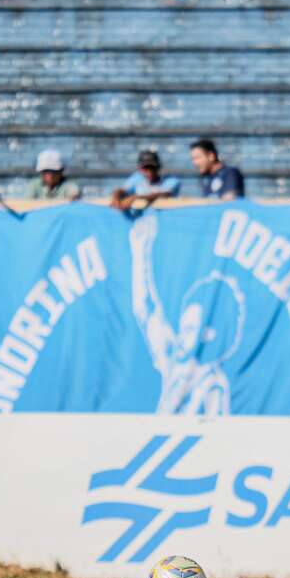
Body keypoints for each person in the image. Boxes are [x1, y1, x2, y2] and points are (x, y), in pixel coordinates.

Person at [129, 213, 246, 415]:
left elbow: (214, 430)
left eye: (190, 329)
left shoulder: (212, 386)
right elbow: (145, 309)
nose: (181, 337)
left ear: (208, 335)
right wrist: (141, 251)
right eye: (183, 328)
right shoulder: (174, 360)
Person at [111, 151, 181, 210]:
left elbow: (165, 194)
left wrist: (136, 197)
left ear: (159, 167)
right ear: (140, 169)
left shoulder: (171, 180)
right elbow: (121, 190)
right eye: (146, 168)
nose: (150, 172)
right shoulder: (137, 178)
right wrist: (116, 197)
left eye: (153, 168)